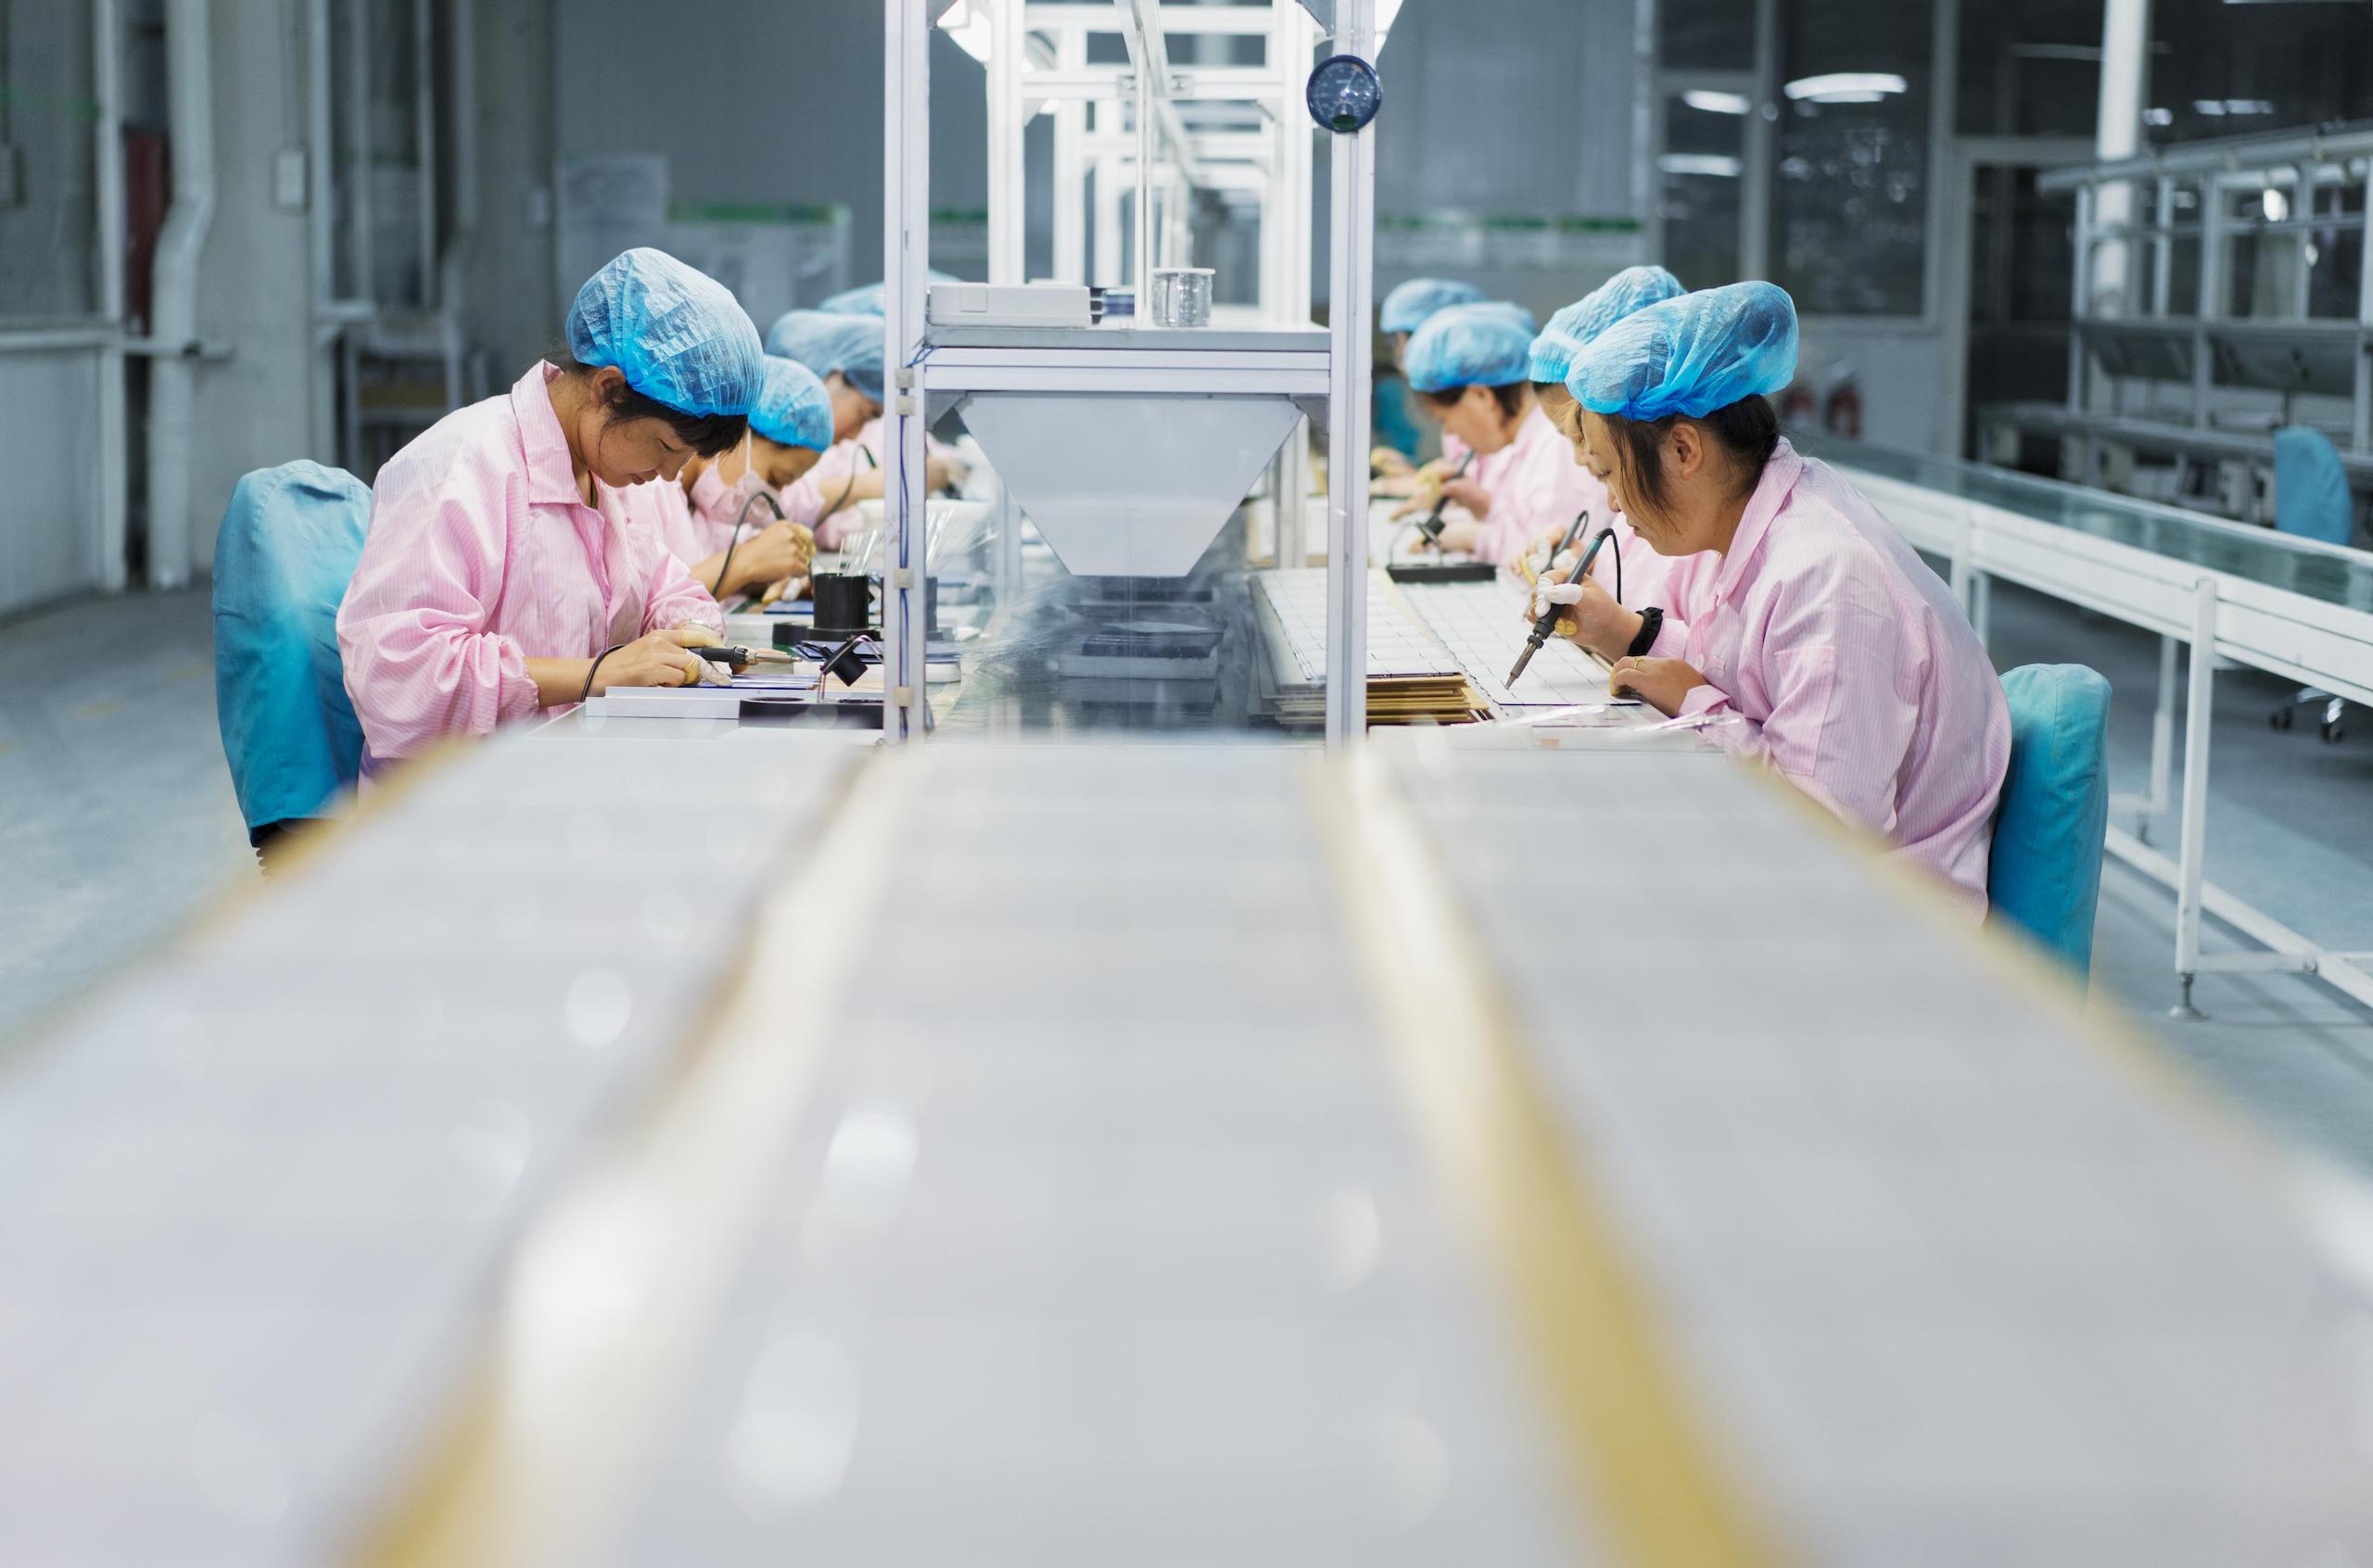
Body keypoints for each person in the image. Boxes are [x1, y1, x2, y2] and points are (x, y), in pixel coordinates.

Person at [1540, 280, 2010, 913]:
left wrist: (1699, 705)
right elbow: (1765, 681)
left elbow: (1820, 833)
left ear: (1683, 449)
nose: (1613, 504)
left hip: (1880, 925)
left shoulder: (1828, 577)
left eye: (1608, 473)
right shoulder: (1769, 521)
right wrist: (1641, 640)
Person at [336, 248, 758, 773]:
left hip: (567, 778)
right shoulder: (461, 469)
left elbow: (664, 586)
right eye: (666, 447)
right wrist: (597, 674)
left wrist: (688, 633)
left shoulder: (611, 474)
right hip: (458, 800)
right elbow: (400, 678)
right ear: (610, 388)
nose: (670, 475)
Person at [1522, 265, 1707, 639]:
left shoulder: (1699, 524)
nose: (1581, 458)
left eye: (1583, 437)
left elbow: (1709, 659)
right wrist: (1589, 568)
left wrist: (1627, 633)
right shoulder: (1643, 500)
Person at [1394, 303, 1596, 569]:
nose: (1449, 433)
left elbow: (1551, 560)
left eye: (1444, 419)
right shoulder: (1523, 443)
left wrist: (1474, 537)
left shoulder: (1556, 446)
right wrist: (1482, 507)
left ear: (1481, 395)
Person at [764, 308, 962, 544]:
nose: (855, 434)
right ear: (833, 377)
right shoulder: (766, 439)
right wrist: (878, 484)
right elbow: (770, 509)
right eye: (864, 415)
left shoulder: (810, 443)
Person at [657, 355, 832, 602]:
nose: (774, 495)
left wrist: (771, 575)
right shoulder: (650, 492)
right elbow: (654, 602)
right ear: (738, 432)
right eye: (775, 478)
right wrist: (748, 560)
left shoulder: (705, 513)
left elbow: (711, 572)